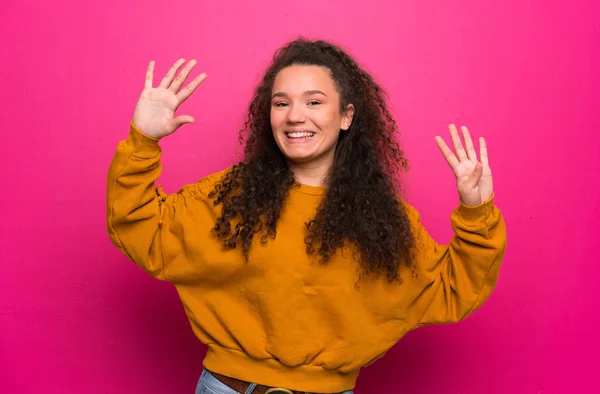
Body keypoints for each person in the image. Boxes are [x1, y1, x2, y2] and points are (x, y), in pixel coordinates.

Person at [106, 38, 507, 394]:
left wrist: (476, 212)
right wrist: (144, 140)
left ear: (346, 116)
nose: (295, 116)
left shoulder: (384, 220)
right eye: (281, 103)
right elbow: (141, 226)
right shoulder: (230, 196)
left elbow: (451, 288)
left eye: (314, 102)